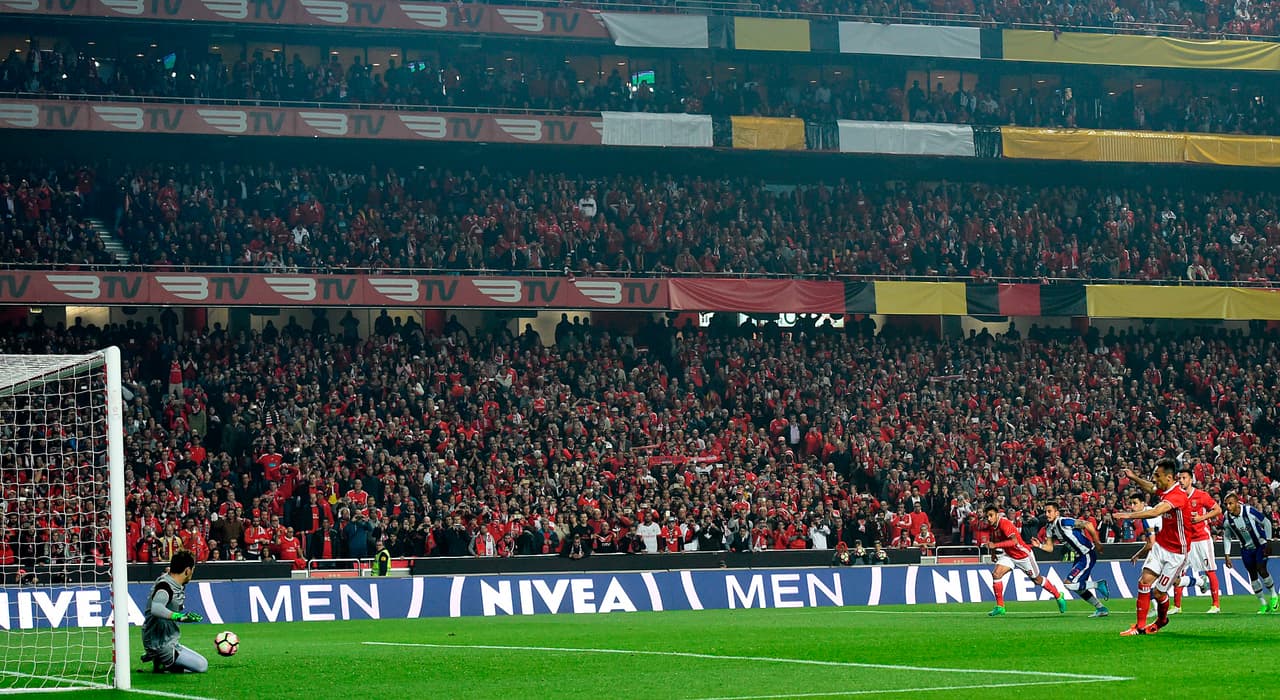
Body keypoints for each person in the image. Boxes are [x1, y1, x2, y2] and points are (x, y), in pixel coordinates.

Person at [1114, 458, 1194, 636]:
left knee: (1158, 593)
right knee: (1143, 582)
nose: (1154, 478)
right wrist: (1133, 477)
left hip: (1177, 553)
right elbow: (1150, 487)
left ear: (1169, 477)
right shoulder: (1165, 490)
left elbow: (1156, 511)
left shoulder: (1178, 496)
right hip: (1161, 547)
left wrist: (1128, 515)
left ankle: (1161, 620)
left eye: (1157, 475)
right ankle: (1140, 627)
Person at [982, 504, 1066, 617]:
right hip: (1009, 555)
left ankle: (1058, 595)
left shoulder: (1005, 524)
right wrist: (993, 553)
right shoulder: (992, 526)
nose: (989, 518)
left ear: (997, 514)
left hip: (1023, 556)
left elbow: (1014, 542)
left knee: (1037, 580)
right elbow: (993, 539)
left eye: (991, 515)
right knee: (996, 574)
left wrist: (995, 545)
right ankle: (1000, 607)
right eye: (987, 516)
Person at [1033, 502, 1110, 617]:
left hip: (1087, 554)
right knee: (1077, 587)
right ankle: (1101, 608)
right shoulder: (1049, 528)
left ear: (1057, 513)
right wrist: (1039, 546)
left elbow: (1088, 524)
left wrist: (1097, 542)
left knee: (1069, 584)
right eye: (1046, 512)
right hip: (1079, 557)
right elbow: (1050, 548)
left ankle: (1098, 585)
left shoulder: (1063, 521)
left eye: (1049, 511)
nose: (1047, 514)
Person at [140, 550, 207, 673]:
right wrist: (179, 617)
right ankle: (165, 663)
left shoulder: (171, 581)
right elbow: (156, 608)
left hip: (158, 639)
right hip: (162, 644)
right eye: (193, 569)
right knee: (202, 665)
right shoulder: (165, 587)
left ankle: (158, 659)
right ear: (187, 570)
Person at [1222, 491, 1278, 614]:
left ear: (1237, 503)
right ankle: (1264, 604)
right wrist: (1227, 555)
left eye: (1230, 503)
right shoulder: (1227, 517)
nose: (1228, 506)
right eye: (1226, 504)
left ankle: (1274, 594)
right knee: (1252, 575)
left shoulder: (1249, 511)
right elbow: (1227, 536)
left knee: (1261, 569)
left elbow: (1266, 522)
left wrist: (1268, 541)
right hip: (1246, 549)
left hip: (1260, 544)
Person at [1179, 466, 1223, 613]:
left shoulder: (1201, 495)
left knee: (1210, 570)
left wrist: (1201, 518)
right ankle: (1177, 606)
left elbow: (1217, 510)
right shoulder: (1178, 497)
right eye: (1179, 478)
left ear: (1191, 480)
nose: (1181, 481)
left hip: (1202, 539)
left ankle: (1215, 605)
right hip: (1186, 540)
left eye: (1184, 478)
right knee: (1179, 572)